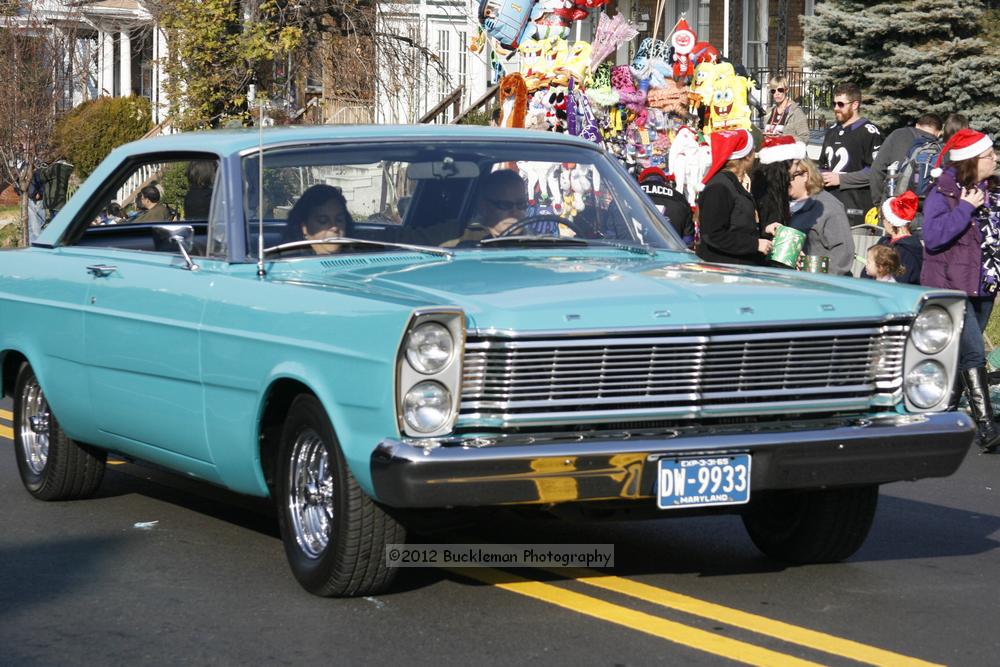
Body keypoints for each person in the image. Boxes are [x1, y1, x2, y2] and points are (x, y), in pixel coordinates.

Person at [920, 127, 1000, 452]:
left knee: (958, 356)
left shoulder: (992, 191)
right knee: (973, 353)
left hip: (983, 285)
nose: (995, 158)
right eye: (989, 154)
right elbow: (934, 237)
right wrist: (965, 208)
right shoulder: (944, 192)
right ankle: (987, 428)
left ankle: (940, 417)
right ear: (971, 160)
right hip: (951, 287)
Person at [696, 129, 772, 265]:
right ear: (747, 156)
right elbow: (713, 234)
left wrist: (766, 230)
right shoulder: (719, 187)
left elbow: (739, 225)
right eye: (753, 151)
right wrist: (754, 244)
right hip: (725, 271)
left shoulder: (732, 183)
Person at [819, 83, 882, 227]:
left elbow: (874, 171)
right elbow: (823, 164)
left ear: (855, 105)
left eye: (841, 104)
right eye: (834, 103)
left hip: (855, 206)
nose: (836, 108)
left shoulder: (868, 132)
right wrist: (820, 175)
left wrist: (842, 179)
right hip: (829, 202)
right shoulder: (832, 131)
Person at [779, 157, 855, 276]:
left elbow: (843, 252)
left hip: (815, 284)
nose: (785, 183)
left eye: (789, 178)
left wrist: (822, 281)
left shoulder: (828, 206)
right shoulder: (780, 204)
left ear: (805, 175)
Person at [869, 113, 942, 204]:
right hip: (923, 207)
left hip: (894, 204)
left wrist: (878, 201)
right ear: (939, 133)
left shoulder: (898, 134)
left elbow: (877, 169)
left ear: (917, 125)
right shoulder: (938, 148)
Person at [444, 169, 530, 246]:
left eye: (521, 204)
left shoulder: (538, 241)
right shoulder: (455, 235)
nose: (515, 212)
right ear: (484, 207)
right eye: (505, 205)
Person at [860, 191, 923, 284]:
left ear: (891, 221)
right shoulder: (884, 241)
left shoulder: (908, 251)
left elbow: (899, 282)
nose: (883, 223)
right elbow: (865, 273)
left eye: (883, 219)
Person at [752, 135, 807, 237]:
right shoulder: (767, 194)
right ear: (783, 165)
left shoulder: (776, 187)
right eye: (796, 163)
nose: (798, 169)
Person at [281, 184, 354, 254]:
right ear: (304, 228)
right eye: (323, 221)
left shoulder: (361, 257)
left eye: (339, 220)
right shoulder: (287, 262)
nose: (334, 227)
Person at [638, 166, 694, 247]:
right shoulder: (679, 198)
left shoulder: (631, 191)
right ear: (664, 180)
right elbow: (688, 240)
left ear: (641, 180)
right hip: (672, 254)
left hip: (636, 253)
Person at [762, 75, 809, 143]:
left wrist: (783, 139)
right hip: (771, 152)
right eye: (773, 91)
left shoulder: (796, 112)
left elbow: (805, 139)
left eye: (780, 90)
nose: (777, 93)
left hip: (789, 152)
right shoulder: (768, 112)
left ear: (786, 90)